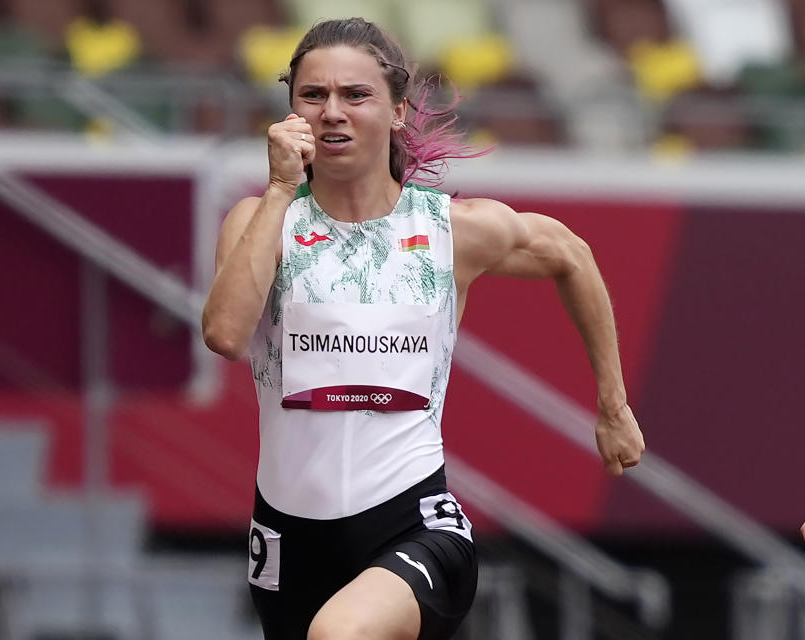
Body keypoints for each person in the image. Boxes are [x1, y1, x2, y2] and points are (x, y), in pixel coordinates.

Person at [201, 18, 645, 640]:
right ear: (290, 112)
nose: (333, 112)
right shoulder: (259, 220)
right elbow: (224, 334)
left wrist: (613, 403)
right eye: (313, 95)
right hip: (288, 534)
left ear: (398, 112)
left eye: (356, 95)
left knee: (339, 635)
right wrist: (280, 188)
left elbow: (571, 255)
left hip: (413, 523)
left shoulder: (450, 229)